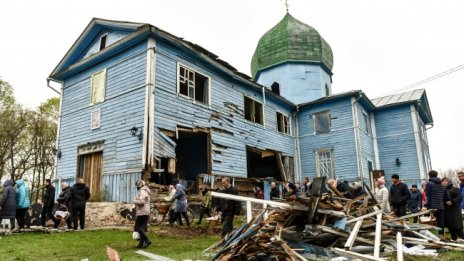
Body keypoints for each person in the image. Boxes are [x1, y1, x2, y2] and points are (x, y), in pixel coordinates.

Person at [426, 170, 450, 237]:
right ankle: (441, 235)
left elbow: (428, 196)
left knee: (434, 221)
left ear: (429, 175)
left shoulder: (429, 184)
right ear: (437, 175)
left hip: (433, 206)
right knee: (441, 222)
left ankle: (437, 236)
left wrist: (428, 207)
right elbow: (447, 197)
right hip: (441, 206)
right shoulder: (442, 185)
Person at [442, 177, 464, 241]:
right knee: (450, 226)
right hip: (447, 211)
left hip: (454, 210)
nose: (444, 182)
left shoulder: (455, 189)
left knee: (457, 226)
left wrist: (452, 201)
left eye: (445, 181)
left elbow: (460, 197)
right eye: (443, 181)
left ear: (449, 182)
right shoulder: (443, 190)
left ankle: (462, 238)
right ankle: (454, 238)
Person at [133, 180, 151, 248]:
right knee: (143, 228)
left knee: (139, 228)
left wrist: (135, 201)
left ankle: (147, 241)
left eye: (137, 186)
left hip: (142, 212)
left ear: (139, 185)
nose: (136, 187)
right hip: (144, 212)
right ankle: (141, 244)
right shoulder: (144, 190)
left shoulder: (142, 191)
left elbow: (142, 201)